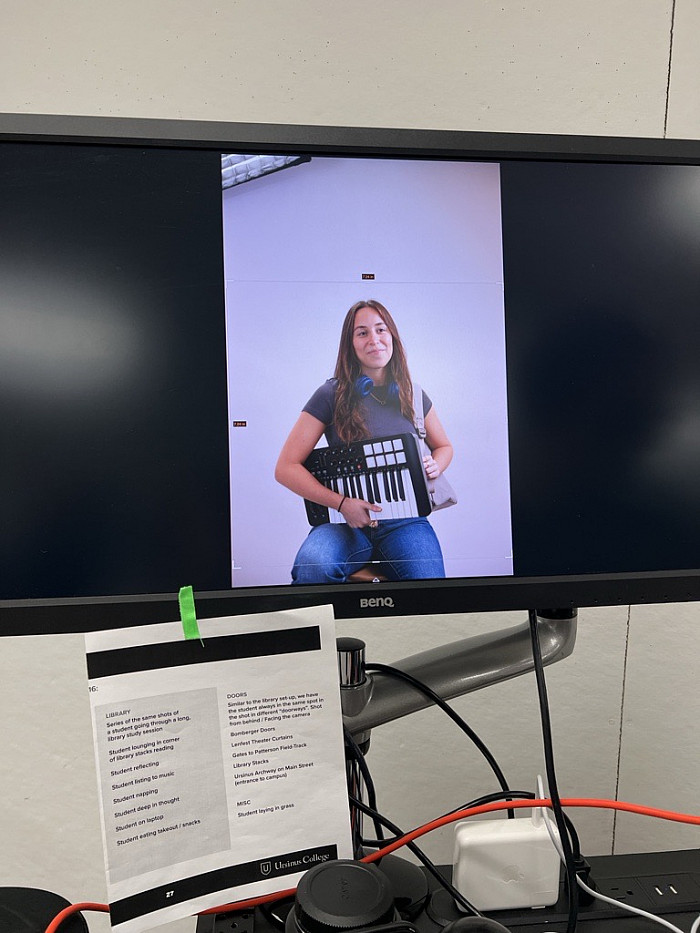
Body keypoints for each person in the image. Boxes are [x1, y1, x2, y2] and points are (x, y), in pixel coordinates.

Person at [275, 300, 453, 583]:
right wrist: (342, 503)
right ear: (351, 345)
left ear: (392, 336)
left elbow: (444, 446)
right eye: (362, 333)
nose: (374, 340)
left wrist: (436, 464)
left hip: (405, 523)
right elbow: (285, 467)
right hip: (344, 523)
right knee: (312, 566)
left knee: (431, 588)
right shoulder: (329, 395)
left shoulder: (413, 395)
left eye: (381, 330)